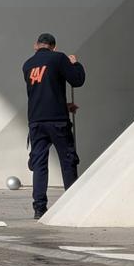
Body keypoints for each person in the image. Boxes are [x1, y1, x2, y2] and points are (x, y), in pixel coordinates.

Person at [22, 33, 85, 219]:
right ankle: (72, 202)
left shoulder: (27, 65)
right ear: (54, 47)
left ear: (36, 46)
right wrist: (74, 63)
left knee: (39, 164)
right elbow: (77, 80)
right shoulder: (59, 58)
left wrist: (64, 105)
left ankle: (39, 207)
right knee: (68, 160)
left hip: (36, 121)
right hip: (57, 120)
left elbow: (42, 92)